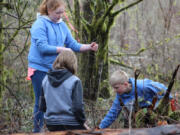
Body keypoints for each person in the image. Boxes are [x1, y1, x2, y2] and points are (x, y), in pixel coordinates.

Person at [27, 0, 98, 132]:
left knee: (57, 101)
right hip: (39, 68)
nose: (60, 15)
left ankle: (56, 128)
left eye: (62, 12)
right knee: (40, 101)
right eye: (57, 12)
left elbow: (73, 45)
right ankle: (37, 131)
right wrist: (62, 50)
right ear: (48, 10)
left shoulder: (62, 25)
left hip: (55, 69)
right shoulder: (39, 24)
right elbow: (42, 48)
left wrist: (89, 47)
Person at [99, 69, 172, 129]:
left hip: (152, 115)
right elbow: (112, 113)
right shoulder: (120, 96)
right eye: (113, 88)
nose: (114, 90)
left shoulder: (142, 86)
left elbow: (163, 89)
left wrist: (169, 100)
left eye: (116, 87)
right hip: (134, 120)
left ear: (125, 84)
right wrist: (100, 128)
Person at [39, 50, 87, 131]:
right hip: (71, 124)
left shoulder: (45, 79)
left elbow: (42, 107)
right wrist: (83, 122)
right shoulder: (75, 81)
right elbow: (77, 108)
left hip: (51, 123)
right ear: (73, 64)